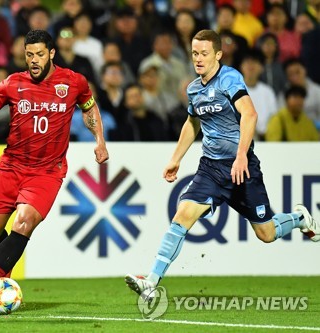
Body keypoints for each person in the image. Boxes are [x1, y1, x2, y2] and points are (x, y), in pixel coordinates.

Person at [124, 29, 319, 296]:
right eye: (194, 53)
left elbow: (249, 115)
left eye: (204, 53)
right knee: (182, 215)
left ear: (218, 54)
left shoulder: (229, 79)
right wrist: (175, 159)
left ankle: (299, 218)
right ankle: (152, 281)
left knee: (266, 233)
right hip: (211, 169)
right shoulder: (194, 89)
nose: (198, 59)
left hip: (243, 168)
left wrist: (241, 157)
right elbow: (192, 123)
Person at [0, 29, 109, 318]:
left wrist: (99, 140)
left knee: (24, 223)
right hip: (11, 167)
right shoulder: (14, 83)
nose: (34, 60)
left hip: (47, 172)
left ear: (52, 53)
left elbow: (89, 108)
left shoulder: (73, 81)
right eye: (29, 55)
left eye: (39, 54)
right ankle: (4, 266)